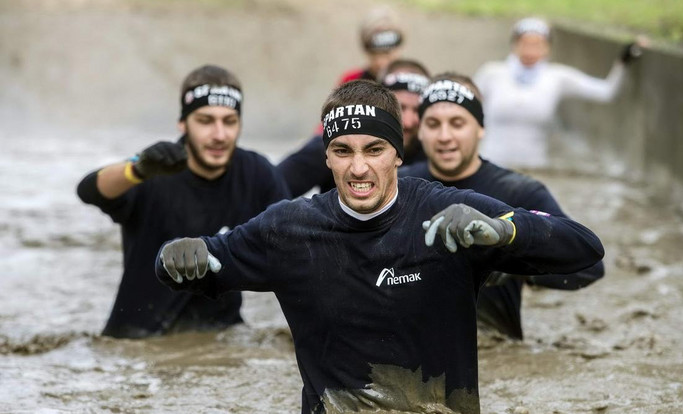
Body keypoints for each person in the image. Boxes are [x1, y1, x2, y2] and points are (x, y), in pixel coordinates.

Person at [154, 79, 605, 413]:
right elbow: (196, 263)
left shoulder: (449, 211)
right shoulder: (287, 229)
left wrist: (506, 232)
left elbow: (586, 250)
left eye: (374, 149)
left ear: (399, 154)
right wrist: (174, 253)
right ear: (326, 157)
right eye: (343, 151)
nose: (359, 167)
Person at [76, 65, 290, 339]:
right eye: (205, 120)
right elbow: (89, 190)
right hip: (139, 339)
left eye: (229, 121)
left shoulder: (256, 172)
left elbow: (292, 242)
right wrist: (136, 170)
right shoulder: (154, 169)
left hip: (223, 335)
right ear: (183, 123)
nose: (219, 135)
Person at [399, 73, 604, 340]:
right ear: (421, 130)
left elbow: (588, 266)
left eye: (458, 123)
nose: (445, 136)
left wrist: (512, 266)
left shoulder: (518, 191)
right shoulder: (398, 186)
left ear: (481, 128)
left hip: (493, 342)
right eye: (434, 124)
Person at [473, 17, 644, 169]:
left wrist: (623, 61)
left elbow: (606, 92)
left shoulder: (556, 77)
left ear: (547, 48)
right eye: (525, 43)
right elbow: (467, 106)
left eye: (537, 44)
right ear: (514, 45)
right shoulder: (491, 73)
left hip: (533, 169)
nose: (531, 50)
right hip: (491, 164)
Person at [277, 58, 430, 197]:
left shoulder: (437, 152)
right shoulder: (333, 144)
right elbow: (268, 188)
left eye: (417, 110)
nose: (408, 122)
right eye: (401, 108)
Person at [337, 6, 404, 84]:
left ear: (399, 49)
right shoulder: (351, 81)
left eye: (387, 54)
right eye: (373, 54)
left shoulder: (413, 85)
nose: (380, 62)